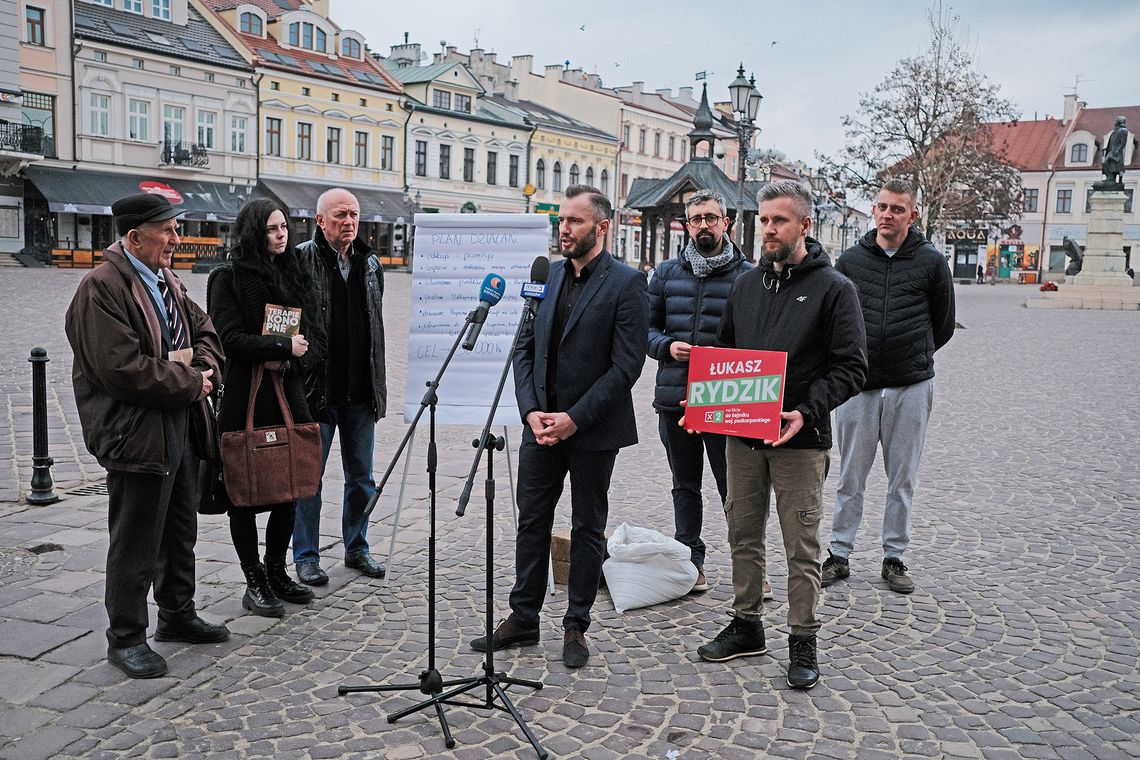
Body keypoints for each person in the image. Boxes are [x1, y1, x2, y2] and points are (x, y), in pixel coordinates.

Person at [696, 180, 866, 691]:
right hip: (743, 437)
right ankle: (747, 624)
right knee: (742, 533)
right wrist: (708, 400)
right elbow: (726, 351)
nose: (768, 229)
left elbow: (851, 368)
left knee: (801, 545)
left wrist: (805, 410)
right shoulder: (746, 286)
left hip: (800, 439)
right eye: (764, 220)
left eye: (779, 221)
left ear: (804, 226)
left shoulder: (835, 288)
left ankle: (803, 638)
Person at [470, 184, 648, 668]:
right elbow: (523, 348)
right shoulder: (545, 276)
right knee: (532, 522)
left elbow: (625, 368)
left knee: (588, 527)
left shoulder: (627, 284)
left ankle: (576, 625)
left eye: (574, 221)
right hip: (540, 426)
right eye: (561, 221)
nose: (563, 229)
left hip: (591, 429)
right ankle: (523, 618)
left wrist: (574, 419)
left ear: (602, 227)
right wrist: (530, 411)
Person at [65, 193, 230, 679]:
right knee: (136, 537)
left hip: (177, 422)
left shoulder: (166, 279)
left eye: (176, 230)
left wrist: (204, 367)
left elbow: (205, 329)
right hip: (134, 431)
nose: (177, 239)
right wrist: (192, 382)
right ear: (135, 237)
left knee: (180, 527)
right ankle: (126, 637)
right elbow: (122, 369)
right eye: (169, 231)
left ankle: (177, 615)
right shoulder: (102, 287)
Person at [823, 178, 956, 595]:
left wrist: (911, 353)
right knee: (850, 475)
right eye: (882, 206)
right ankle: (839, 553)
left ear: (912, 214)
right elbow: (835, 319)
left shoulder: (932, 263)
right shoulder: (849, 261)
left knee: (903, 476)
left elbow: (944, 323)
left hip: (910, 384)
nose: (887, 214)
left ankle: (894, 556)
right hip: (858, 385)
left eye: (897, 209)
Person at [207, 199, 324, 616]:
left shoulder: (294, 270)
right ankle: (252, 577)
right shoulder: (228, 276)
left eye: (284, 227)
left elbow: (314, 336)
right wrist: (279, 347)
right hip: (245, 396)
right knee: (245, 489)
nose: (282, 234)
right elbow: (229, 338)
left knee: (289, 486)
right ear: (255, 232)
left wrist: (295, 355)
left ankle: (277, 570)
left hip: (288, 394)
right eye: (272, 229)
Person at [647, 189, 765, 596]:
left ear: (726, 222)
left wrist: (727, 357)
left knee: (733, 486)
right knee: (685, 484)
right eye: (695, 219)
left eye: (710, 218)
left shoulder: (748, 275)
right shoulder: (664, 274)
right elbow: (645, 330)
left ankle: (749, 567)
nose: (703, 226)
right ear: (685, 224)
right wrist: (666, 346)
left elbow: (758, 339)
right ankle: (690, 561)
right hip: (674, 394)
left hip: (724, 393)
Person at [293, 188, 388, 585]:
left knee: (362, 477)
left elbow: (376, 326)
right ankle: (307, 556)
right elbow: (286, 319)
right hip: (318, 392)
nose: (348, 222)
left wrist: (378, 386)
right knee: (308, 480)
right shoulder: (300, 259)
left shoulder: (370, 263)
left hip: (360, 393)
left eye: (353, 215)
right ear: (320, 220)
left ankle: (357, 547)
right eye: (339, 215)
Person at [1101, 116, 1128, 186]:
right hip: (1111, 151)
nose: (1114, 122)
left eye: (1116, 120)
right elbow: (1112, 142)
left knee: (1114, 165)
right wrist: (1106, 149)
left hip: (1116, 152)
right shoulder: (1115, 130)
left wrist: (1118, 150)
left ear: (1120, 121)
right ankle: (1110, 178)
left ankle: (1111, 178)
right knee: (1111, 165)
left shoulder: (1123, 130)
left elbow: (1123, 142)